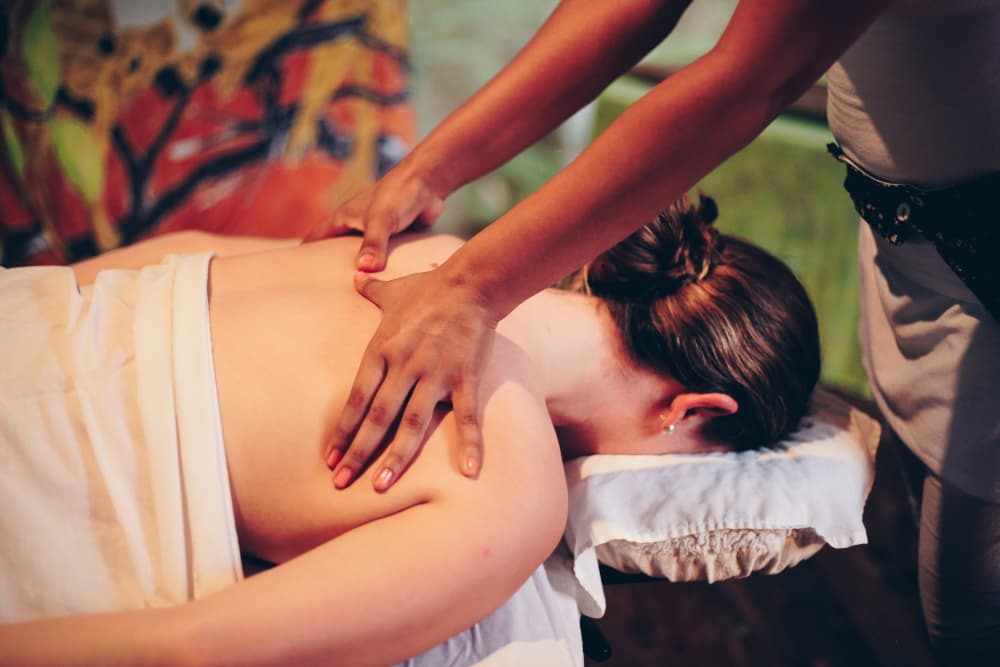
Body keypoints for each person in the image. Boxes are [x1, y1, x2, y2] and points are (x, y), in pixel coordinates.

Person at [310, 1, 1000, 664]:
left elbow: (748, 77)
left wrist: (464, 268)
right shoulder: (507, 500)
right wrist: (440, 194)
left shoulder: (399, 257)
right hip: (915, 239)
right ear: (692, 412)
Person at [0, 194, 820, 666]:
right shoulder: (510, 486)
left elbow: (177, 255)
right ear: (696, 410)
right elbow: (199, 651)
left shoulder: (432, 247)